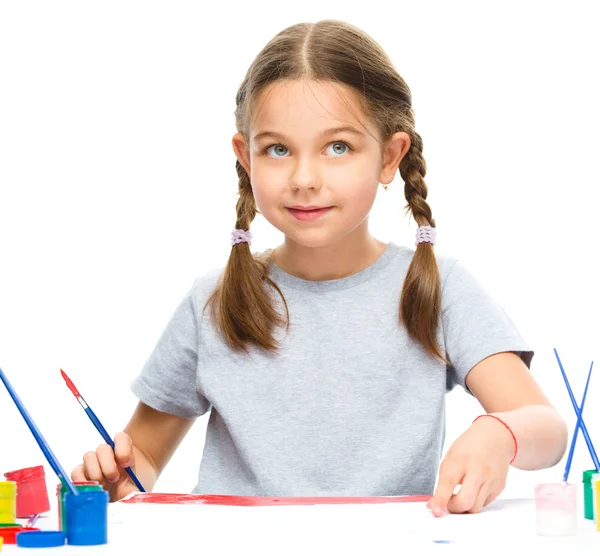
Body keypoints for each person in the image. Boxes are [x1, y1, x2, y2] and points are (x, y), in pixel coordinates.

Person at [71, 19, 567, 517]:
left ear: (391, 156)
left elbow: (547, 430)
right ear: (246, 157)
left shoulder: (438, 289)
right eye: (278, 149)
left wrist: (500, 432)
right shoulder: (214, 299)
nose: (304, 178)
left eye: (338, 147)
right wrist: (118, 479)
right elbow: (146, 458)